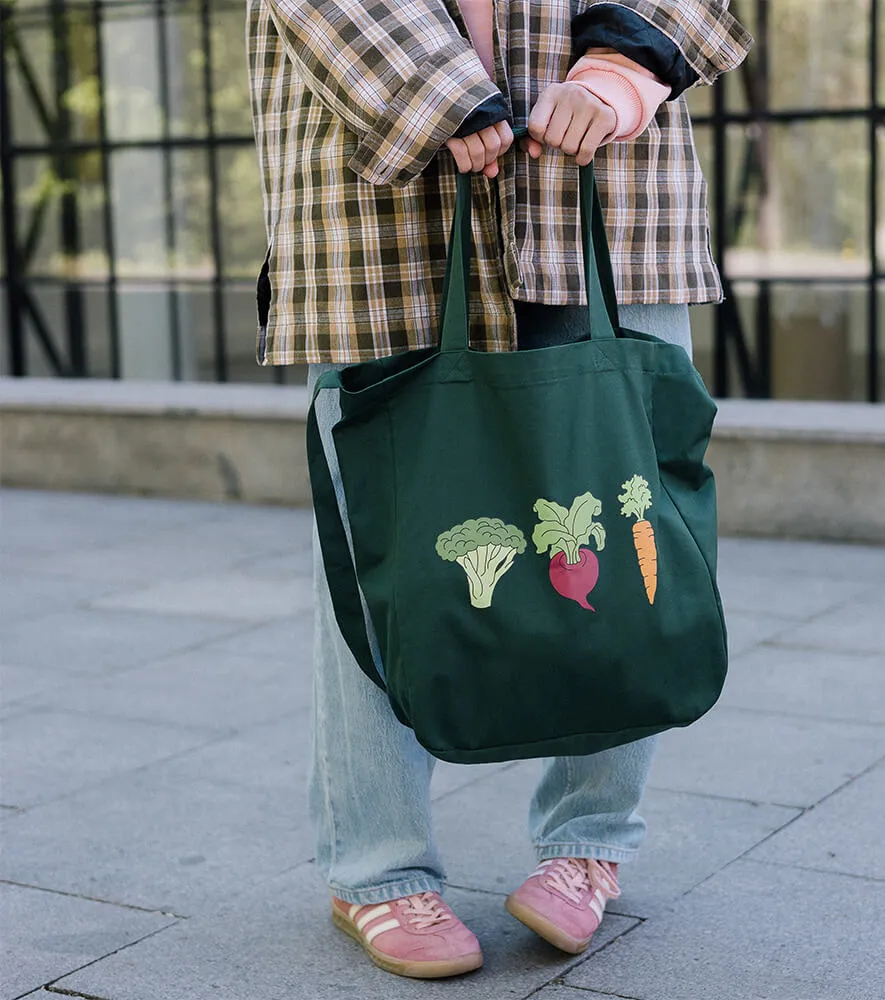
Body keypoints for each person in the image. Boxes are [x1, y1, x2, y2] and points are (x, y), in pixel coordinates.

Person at [247, 0, 750, 980]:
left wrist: (620, 70)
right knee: (386, 555)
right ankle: (377, 866)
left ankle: (590, 839)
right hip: (381, 181)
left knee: (630, 533)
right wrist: (433, 90)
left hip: (607, 178)